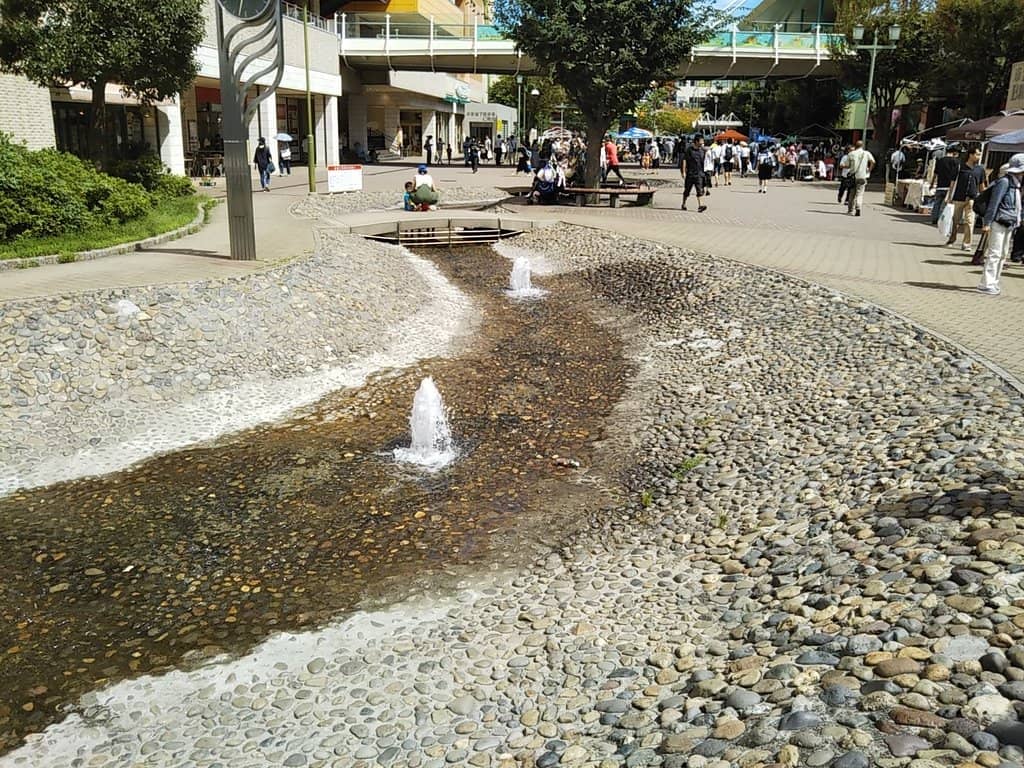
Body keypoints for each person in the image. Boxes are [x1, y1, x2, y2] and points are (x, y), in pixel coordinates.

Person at [976, 154, 1024, 295]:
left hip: (1009, 222)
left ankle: (994, 281)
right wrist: (987, 223)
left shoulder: (1016, 184)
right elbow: (994, 203)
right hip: (999, 221)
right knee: (995, 253)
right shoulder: (1004, 182)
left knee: (1002, 254)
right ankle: (986, 283)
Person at [946, 146, 986, 251]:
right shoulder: (960, 167)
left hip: (972, 199)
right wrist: (950, 196)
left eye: (979, 154)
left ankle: (966, 244)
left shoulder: (980, 169)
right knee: (955, 221)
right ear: (970, 155)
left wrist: (983, 198)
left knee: (969, 221)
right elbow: (952, 182)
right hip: (958, 197)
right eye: (977, 154)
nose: (979, 156)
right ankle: (952, 239)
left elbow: (982, 185)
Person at [931, 144, 960, 224]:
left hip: (940, 185)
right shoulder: (956, 162)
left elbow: (935, 174)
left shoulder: (940, 160)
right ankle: (941, 220)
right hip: (950, 187)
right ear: (955, 153)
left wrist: (932, 184)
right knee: (945, 205)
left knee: (937, 203)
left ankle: (934, 218)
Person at [845, 139, 875, 216]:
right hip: (862, 176)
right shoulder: (866, 153)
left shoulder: (851, 154)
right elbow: (873, 162)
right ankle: (858, 207)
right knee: (860, 194)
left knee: (852, 193)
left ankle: (850, 210)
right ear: (862, 146)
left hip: (853, 176)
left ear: (855, 146)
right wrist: (869, 170)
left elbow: (847, 165)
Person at [680, 136, 708, 212]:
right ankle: (683, 204)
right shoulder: (689, 150)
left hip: (699, 173)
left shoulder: (702, 151)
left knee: (699, 190)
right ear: (696, 141)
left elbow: (706, 161)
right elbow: (684, 160)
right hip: (690, 173)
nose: (702, 142)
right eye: (701, 141)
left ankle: (700, 206)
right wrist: (683, 172)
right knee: (687, 190)